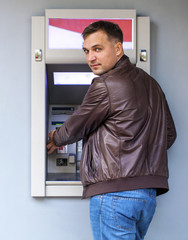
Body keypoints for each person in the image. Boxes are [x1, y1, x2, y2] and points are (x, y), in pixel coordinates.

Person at [46, 21, 176, 240]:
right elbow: (169, 134)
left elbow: (74, 127)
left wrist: (54, 136)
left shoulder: (106, 83)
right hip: (147, 195)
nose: (90, 58)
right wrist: (137, 152)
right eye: (86, 51)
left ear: (117, 49)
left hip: (115, 193)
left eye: (98, 49)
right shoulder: (152, 84)